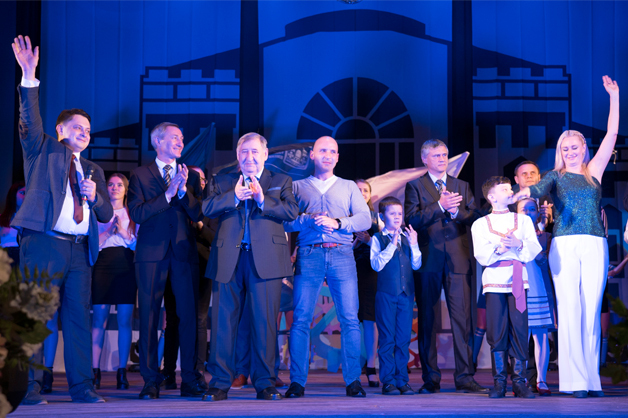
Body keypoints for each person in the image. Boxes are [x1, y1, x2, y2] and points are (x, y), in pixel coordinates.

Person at [12, 35, 113, 404]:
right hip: (44, 243)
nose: (83, 133)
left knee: (77, 319)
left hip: (79, 251)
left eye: (87, 130)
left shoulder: (93, 169)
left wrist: (95, 196)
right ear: (60, 131)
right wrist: (29, 76)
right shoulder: (42, 149)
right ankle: (29, 388)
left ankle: (82, 387)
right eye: (76, 127)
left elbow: (105, 213)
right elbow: (29, 120)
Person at [514, 75, 619, 397]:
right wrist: (518, 195)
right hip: (564, 244)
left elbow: (612, 135)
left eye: (575, 147)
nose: (570, 152)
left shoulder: (593, 171)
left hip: (595, 243)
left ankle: (591, 380)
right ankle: (574, 383)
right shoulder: (554, 176)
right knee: (570, 309)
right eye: (565, 148)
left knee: (591, 310)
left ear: (584, 148)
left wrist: (614, 97)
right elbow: (534, 190)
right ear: (560, 151)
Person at [202, 133, 298, 402]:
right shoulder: (222, 180)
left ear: (265, 155)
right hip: (228, 259)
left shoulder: (280, 181)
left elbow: (291, 211)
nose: (249, 157)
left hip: (266, 260)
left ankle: (265, 383)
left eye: (255, 152)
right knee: (223, 323)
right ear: (237, 155)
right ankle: (219, 383)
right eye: (244, 152)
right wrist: (233, 197)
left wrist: (262, 200)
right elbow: (207, 208)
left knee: (264, 323)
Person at [283, 136, 371, 398]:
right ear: (312, 154)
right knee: (301, 318)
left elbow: (365, 219)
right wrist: (307, 220)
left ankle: (353, 381)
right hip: (309, 254)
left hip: (342, 254)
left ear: (338, 157)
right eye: (323, 150)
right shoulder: (297, 186)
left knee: (350, 319)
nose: (328, 155)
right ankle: (297, 382)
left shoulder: (348, 186)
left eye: (333, 151)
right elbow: (285, 222)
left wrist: (338, 223)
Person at [128, 122, 204, 399]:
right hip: (150, 255)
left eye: (182, 138)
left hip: (183, 255)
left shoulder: (190, 176)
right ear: (157, 141)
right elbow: (137, 213)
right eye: (175, 137)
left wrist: (183, 192)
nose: (181, 141)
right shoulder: (139, 175)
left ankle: (190, 379)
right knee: (149, 316)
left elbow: (199, 214)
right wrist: (168, 194)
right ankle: (151, 380)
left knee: (188, 317)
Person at [403, 139, 486, 393]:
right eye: (436, 155)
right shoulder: (415, 186)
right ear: (424, 159)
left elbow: (476, 217)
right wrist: (440, 206)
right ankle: (431, 379)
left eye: (445, 155)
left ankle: (465, 377)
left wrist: (456, 212)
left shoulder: (461, 185)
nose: (442, 159)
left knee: (462, 320)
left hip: (458, 260)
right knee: (427, 320)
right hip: (428, 260)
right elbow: (412, 219)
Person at [472, 177, 541, 398]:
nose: (510, 191)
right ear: (491, 197)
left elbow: (533, 247)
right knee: (496, 330)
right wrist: (500, 249)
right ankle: (499, 382)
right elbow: (481, 254)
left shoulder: (523, 221)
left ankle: (520, 382)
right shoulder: (480, 224)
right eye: (504, 189)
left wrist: (518, 244)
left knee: (520, 328)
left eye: (510, 188)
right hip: (494, 281)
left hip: (518, 280)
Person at [370, 196, 421, 395]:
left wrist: (414, 244)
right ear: (382, 216)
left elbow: (416, 265)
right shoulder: (378, 238)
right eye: (392, 213)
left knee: (403, 339)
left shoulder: (407, 238)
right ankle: (388, 381)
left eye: (400, 213)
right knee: (387, 339)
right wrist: (391, 245)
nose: (397, 216)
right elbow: (376, 265)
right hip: (386, 295)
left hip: (406, 295)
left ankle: (402, 380)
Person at [91, 173, 138, 390]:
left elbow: (138, 245)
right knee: (98, 320)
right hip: (102, 264)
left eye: (119, 185)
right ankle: (94, 372)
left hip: (126, 265)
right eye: (111, 184)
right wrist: (110, 231)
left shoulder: (133, 213)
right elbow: (92, 244)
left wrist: (123, 233)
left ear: (126, 189)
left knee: (124, 321)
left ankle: (121, 372)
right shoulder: (97, 212)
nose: (115, 188)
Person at [516, 198, 556, 396]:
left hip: (539, 290)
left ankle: (542, 380)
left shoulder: (545, 237)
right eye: (523, 209)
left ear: (538, 213)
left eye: (532, 209)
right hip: (518, 291)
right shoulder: (510, 236)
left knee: (540, 337)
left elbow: (547, 263)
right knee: (520, 338)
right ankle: (520, 379)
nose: (528, 212)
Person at [353, 179, 381, 387]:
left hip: (370, 271)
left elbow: (386, 246)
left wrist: (369, 240)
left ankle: (371, 367)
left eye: (365, 190)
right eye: (358, 190)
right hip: (347, 270)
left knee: (370, 319)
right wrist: (355, 242)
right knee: (351, 320)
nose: (362, 193)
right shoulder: (344, 216)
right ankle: (353, 368)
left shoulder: (377, 218)